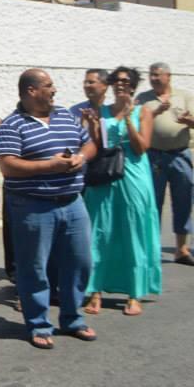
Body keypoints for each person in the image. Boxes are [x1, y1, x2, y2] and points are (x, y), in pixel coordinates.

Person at [0, 69, 97, 350]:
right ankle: (39, 323)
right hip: (33, 206)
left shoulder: (66, 116)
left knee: (80, 262)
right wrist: (50, 166)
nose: (54, 90)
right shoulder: (13, 125)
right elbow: (9, 166)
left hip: (73, 202)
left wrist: (79, 157)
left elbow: (89, 145)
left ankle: (73, 319)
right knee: (34, 268)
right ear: (31, 91)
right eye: (49, 86)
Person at [82, 67, 161, 316]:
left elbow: (141, 148)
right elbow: (99, 146)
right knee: (99, 231)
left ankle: (134, 293)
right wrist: (94, 127)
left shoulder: (143, 111)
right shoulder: (101, 111)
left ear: (133, 85)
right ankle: (94, 290)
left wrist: (127, 118)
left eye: (126, 81)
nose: (120, 85)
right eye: (116, 80)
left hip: (134, 176)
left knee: (133, 232)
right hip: (105, 176)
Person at [135, 62, 194, 265]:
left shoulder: (184, 96)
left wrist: (189, 121)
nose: (153, 78)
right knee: (152, 203)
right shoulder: (143, 99)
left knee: (183, 200)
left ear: (169, 76)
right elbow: (135, 121)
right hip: (154, 156)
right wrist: (157, 111)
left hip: (180, 154)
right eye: (151, 75)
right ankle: (152, 249)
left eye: (157, 75)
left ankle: (181, 249)